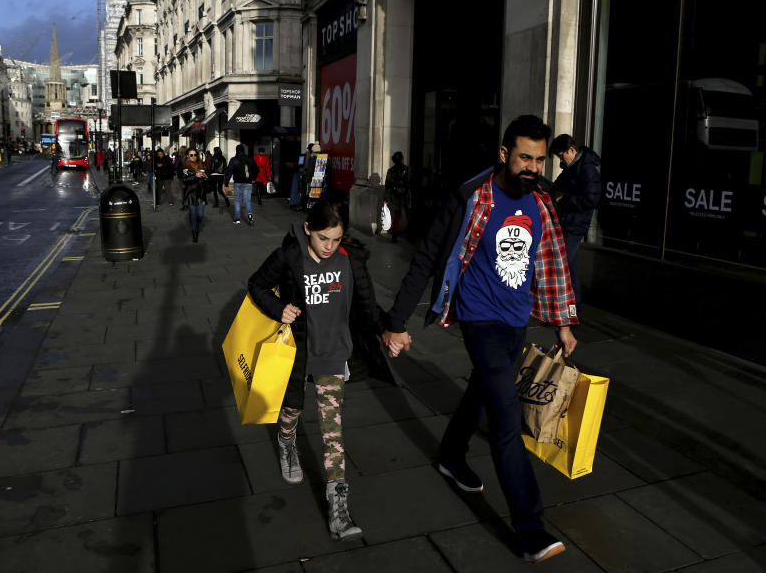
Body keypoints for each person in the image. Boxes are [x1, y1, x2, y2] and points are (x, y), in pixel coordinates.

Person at [381, 115, 578, 565]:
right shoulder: (472, 196)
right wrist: (396, 321)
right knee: (507, 422)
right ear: (505, 154)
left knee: (482, 393)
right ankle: (530, 530)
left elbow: (551, 264)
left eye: (539, 159)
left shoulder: (542, 202)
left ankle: (451, 454)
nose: (532, 167)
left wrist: (563, 323)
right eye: (524, 157)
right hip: (479, 317)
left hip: (516, 320)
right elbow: (427, 257)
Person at [247, 201, 385, 541]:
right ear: (308, 228)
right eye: (323, 238)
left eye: (337, 240)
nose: (329, 247)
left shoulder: (351, 259)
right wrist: (280, 309)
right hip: (298, 351)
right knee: (291, 408)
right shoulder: (290, 256)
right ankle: (286, 441)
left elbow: (367, 304)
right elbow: (257, 285)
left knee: (332, 434)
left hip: (334, 356)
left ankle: (338, 508)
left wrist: (389, 331)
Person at [548, 134, 600, 303]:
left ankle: (572, 309)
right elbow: (555, 188)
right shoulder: (572, 167)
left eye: (561, 156)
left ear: (571, 150)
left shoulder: (587, 169)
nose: (560, 162)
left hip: (576, 226)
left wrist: (564, 200)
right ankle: (566, 308)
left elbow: (591, 199)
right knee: (565, 267)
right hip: (567, 223)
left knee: (567, 267)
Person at [224, 143, 259, 226]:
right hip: (248, 183)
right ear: (244, 151)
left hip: (238, 183)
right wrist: (253, 178)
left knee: (237, 201)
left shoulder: (233, 160)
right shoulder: (250, 159)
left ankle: (237, 219)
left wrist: (226, 184)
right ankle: (250, 216)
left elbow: (229, 172)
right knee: (247, 200)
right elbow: (256, 169)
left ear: (236, 151)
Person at [180, 148, 209, 242]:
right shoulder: (185, 167)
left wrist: (205, 176)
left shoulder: (201, 164)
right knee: (193, 214)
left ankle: (196, 225)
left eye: (195, 155)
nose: (193, 157)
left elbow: (207, 178)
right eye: (191, 155)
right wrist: (195, 176)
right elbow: (184, 180)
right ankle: (194, 231)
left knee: (200, 215)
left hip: (201, 194)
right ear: (187, 156)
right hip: (191, 194)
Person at [384, 151, 411, 242]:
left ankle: (394, 235)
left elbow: (387, 185)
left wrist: (386, 198)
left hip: (396, 196)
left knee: (397, 216)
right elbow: (410, 183)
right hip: (406, 195)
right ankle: (410, 235)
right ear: (402, 159)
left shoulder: (391, 171)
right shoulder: (407, 169)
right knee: (408, 215)